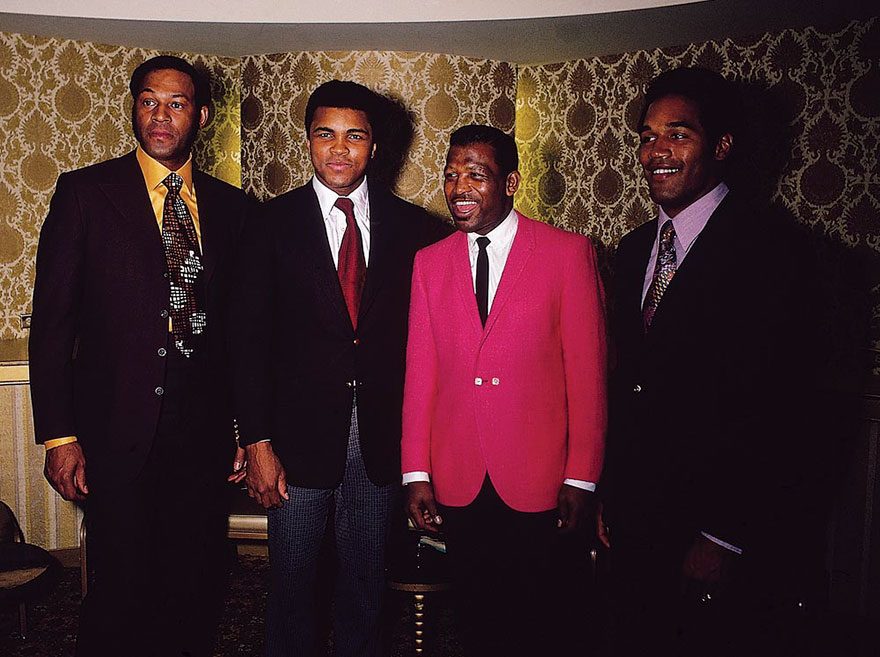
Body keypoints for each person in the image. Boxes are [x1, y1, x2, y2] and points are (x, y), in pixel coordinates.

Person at [597, 67, 826, 656]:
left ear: (722, 146)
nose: (656, 152)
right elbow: (628, 384)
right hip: (633, 522)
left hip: (715, 532)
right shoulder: (631, 249)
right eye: (646, 137)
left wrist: (725, 536)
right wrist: (606, 495)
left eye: (679, 134)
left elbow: (786, 413)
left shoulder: (776, 252)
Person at [29, 55, 248, 656]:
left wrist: (243, 429)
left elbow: (239, 334)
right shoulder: (86, 193)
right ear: (134, 107)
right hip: (114, 435)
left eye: (176, 103)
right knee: (118, 596)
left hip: (201, 440)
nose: (160, 115)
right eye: (148, 100)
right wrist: (58, 436)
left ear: (200, 115)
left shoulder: (234, 209)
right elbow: (52, 323)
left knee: (194, 590)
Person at [228, 80, 450, 656]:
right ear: (307, 141)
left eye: (355, 136)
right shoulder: (269, 224)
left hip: (381, 444)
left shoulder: (417, 230)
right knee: (292, 588)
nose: (339, 149)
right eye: (325, 134)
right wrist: (256, 440)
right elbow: (247, 341)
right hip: (295, 445)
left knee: (366, 589)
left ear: (375, 147)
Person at [401, 124, 607, 656]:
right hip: (460, 479)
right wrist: (416, 472)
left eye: (476, 173)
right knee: (477, 622)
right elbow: (420, 375)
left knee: (545, 622)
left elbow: (588, 377)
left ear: (511, 182)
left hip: (541, 482)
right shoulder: (429, 262)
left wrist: (582, 478)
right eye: (450, 175)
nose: (458, 186)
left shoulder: (567, 253)